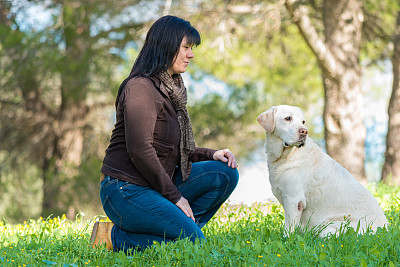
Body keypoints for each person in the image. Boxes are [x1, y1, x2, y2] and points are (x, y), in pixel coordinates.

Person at [90, 15, 239, 252]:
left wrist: (212, 154)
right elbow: (140, 150)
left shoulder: (170, 90)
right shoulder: (140, 87)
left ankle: (177, 230)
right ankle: (114, 237)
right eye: (186, 47)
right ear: (166, 46)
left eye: (191, 48)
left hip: (155, 184)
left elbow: (174, 151)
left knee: (224, 173)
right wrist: (175, 198)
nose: (191, 55)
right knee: (191, 242)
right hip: (124, 189)